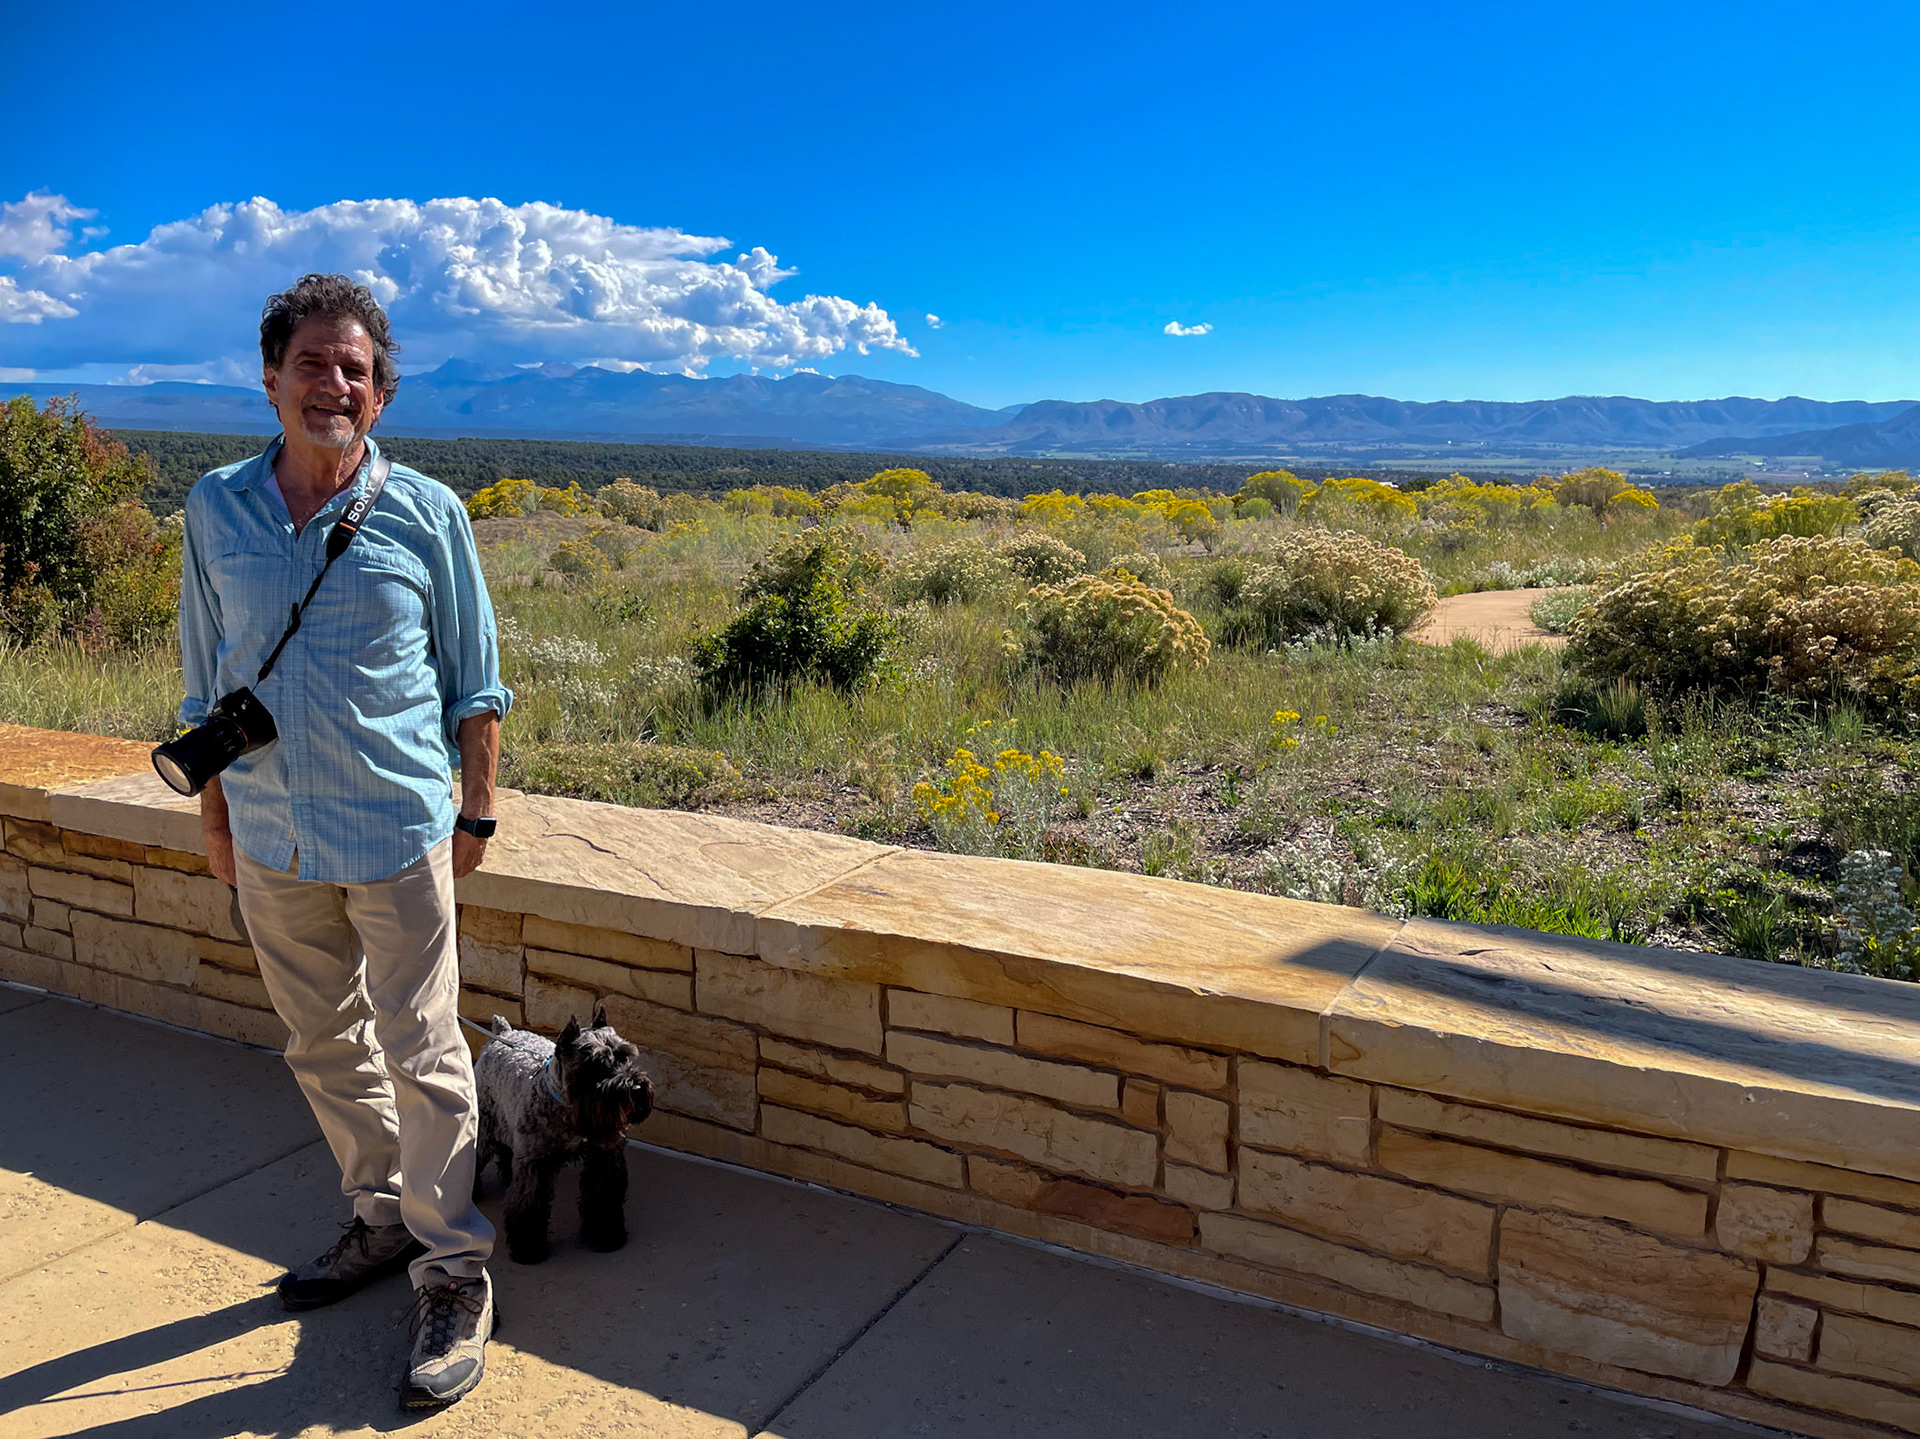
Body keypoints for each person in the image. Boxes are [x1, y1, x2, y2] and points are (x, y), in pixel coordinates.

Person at [176, 273, 510, 1409]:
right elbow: (207, 677)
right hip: (272, 832)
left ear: (382, 394)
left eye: (356, 368)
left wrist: (476, 810)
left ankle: (453, 1265)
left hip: (397, 829)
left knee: (425, 1050)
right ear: (270, 378)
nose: (334, 382)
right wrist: (216, 817)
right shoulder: (213, 508)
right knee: (321, 1040)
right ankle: (379, 1212)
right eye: (313, 361)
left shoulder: (429, 513)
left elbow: (477, 681)